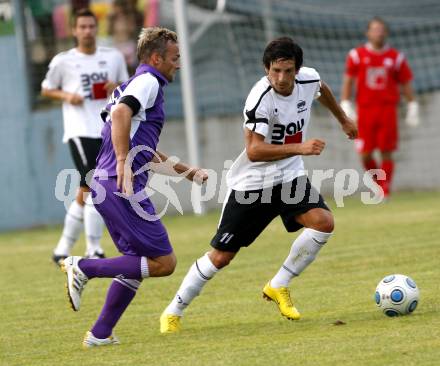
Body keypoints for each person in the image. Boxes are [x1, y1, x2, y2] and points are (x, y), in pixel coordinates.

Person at [159, 36, 358, 333]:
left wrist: (343, 119)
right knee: (222, 256)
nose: (281, 78)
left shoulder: (309, 79)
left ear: (297, 70)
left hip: (289, 177)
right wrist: (300, 148)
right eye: (275, 71)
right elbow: (255, 151)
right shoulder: (260, 98)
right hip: (253, 184)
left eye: (288, 71)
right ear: (266, 69)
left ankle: (279, 285)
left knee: (323, 222)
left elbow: (321, 89)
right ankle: (173, 312)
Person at [60, 27, 208, 347]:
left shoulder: (136, 84)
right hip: (118, 184)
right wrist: (125, 162)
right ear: (156, 58)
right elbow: (119, 112)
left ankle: (100, 334)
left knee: (137, 263)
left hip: (105, 183)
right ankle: (82, 266)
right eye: (174, 58)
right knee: (164, 263)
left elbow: (143, 145)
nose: (177, 64)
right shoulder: (148, 82)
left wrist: (186, 172)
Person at [41, 8, 129, 264]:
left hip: (106, 128)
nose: (88, 31)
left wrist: (117, 88)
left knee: (85, 189)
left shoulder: (112, 56)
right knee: (95, 185)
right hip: (80, 130)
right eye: (82, 27)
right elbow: (46, 88)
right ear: (74, 30)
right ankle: (94, 248)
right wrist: (67, 96)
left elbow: (126, 86)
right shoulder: (63, 60)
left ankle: (62, 248)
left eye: (91, 26)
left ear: (96, 28)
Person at [340, 16, 419, 199]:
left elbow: (405, 82)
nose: (378, 33)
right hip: (365, 110)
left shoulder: (396, 57)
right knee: (365, 154)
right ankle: (379, 184)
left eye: (381, 29)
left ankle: (385, 190)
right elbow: (348, 81)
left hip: (387, 109)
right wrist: (345, 102)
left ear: (386, 33)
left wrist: (412, 104)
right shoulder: (356, 55)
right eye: (375, 29)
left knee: (386, 151)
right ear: (368, 33)